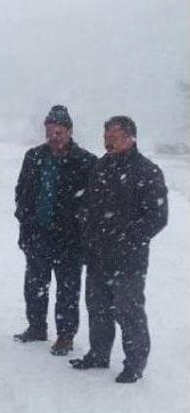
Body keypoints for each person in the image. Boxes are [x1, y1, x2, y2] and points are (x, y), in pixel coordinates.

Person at [70, 116, 168, 383]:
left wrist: (128, 239)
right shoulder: (101, 167)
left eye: (112, 137)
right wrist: (86, 232)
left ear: (130, 137)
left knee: (128, 312)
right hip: (97, 256)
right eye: (105, 137)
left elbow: (158, 217)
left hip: (128, 261)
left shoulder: (147, 171)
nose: (107, 142)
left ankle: (134, 364)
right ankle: (99, 354)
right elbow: (86, 206)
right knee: (98, 308)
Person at [14, 105, 96, 355]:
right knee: (35, 284)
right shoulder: (34, 157)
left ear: (69, 131)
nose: (54, 136)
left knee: (68, 289)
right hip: (38, 234)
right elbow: (23, 191)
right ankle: (37, 326)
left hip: (70, 239)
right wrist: (24, 219)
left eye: (59, 131)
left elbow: (92, 203)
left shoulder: (85, 162)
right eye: (50, 131)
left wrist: (81, 229)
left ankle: (65, 336)